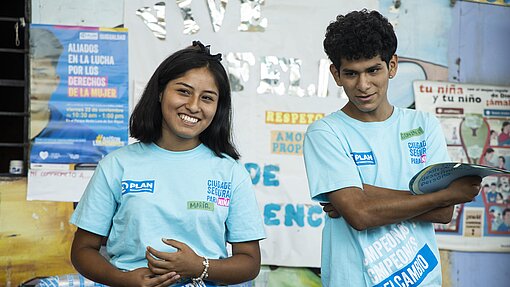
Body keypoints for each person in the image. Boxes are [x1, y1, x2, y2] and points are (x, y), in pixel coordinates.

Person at [303, 9, 481, 287]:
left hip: (423, 280)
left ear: (393, 66)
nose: (363, 85)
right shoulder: (325, 132)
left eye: (373, 70)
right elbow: (360, 216)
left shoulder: (423, 124)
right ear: (336, 74)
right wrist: (446, 195)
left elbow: (444, 214)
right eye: (351, 73)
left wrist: (363, 193)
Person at [70, 41, 266, 286]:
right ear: (161, 92)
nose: (194, 106)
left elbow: (249, 262)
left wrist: (200, 267)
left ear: (218, 107)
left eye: (207, 98)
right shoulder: (116, 165)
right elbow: (82, 250)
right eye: (183, 91)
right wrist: (121, 279)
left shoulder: (230, 173)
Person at [30, 27, 107, 163]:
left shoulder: (84, 139)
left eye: (40, 75)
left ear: (55, 82)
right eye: (25, 76)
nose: (32, 85)